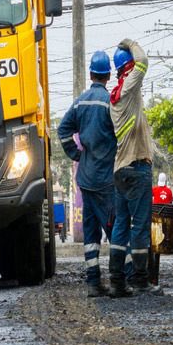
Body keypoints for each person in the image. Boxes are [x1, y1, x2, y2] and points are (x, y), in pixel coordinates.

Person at [57, 50, 117, 298]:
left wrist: (76, 154)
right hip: (106, 179)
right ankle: (118, 280)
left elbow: (63, 130)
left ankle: (93, 282)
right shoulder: (110, 103)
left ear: (91, 73)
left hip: (86, 178)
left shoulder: (80, 102)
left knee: (91, 234)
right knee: (115, 230)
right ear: (108, 75)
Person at [108, 38, 160, 297]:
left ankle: (117, 280)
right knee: (139, 226)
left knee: (120, 225)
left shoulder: (114, 98)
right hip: (137, 168)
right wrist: (131, 43)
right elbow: (143, 62)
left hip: (120, 171)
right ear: (126, 69)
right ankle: (140, 279)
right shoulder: (129, 86)